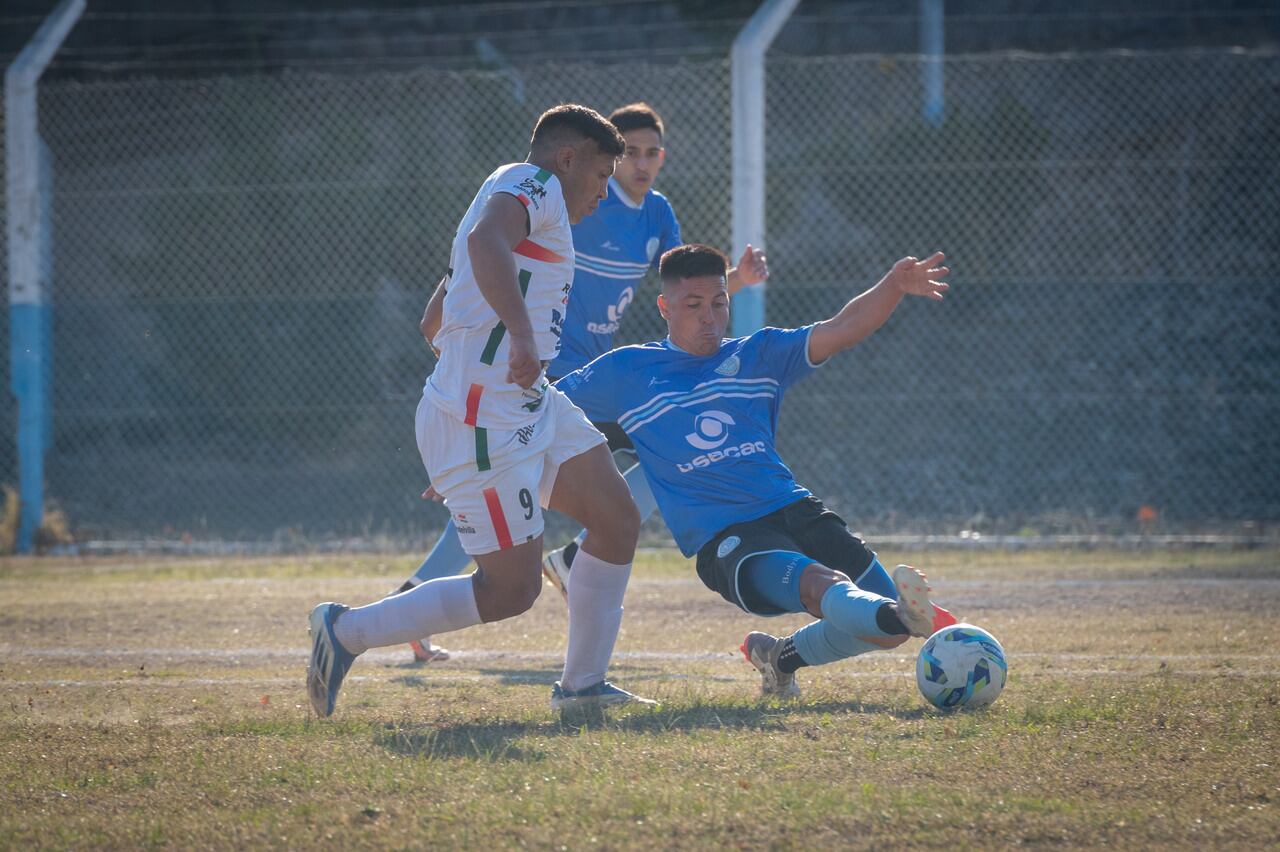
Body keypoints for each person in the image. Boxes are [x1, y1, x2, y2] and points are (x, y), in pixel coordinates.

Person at [307, 104, 651, 717]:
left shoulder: (506, 186)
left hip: (512, 407)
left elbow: (434, 319)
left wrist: (459, 422)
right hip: (486, 417)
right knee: (512, 591)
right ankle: (344, 632)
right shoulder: (535, 185)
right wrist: (508, 351)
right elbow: (482, 241)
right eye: (602, 175)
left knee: (617, 516)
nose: (606, 191)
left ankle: (582, 690)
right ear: (567, 160)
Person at [393, 103, 768, 662]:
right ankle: (555, 580)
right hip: (554, 369)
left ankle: (423, 598)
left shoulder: (655, 215)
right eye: (626, 156)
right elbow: (486, 250)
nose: (637, 166)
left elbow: (683, 291)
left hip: (565, 372)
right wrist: (501, 349)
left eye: (650, 154)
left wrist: (736, 281)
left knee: (514, 492)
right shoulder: (561, 195)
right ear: (593, 163)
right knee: (660, 448)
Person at [553, 243, 959, 697]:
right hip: (729, 538)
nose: (709, 317)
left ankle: (781, 657)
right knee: (825, 585)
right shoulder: (625, 371)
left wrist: (894, 285)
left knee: (888, 634)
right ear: (665, 307)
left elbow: (841, 328)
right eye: (693, 305)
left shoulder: (759, 353)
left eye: (719, 303)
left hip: (796, 509)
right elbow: (543, 404)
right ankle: (900, 612)